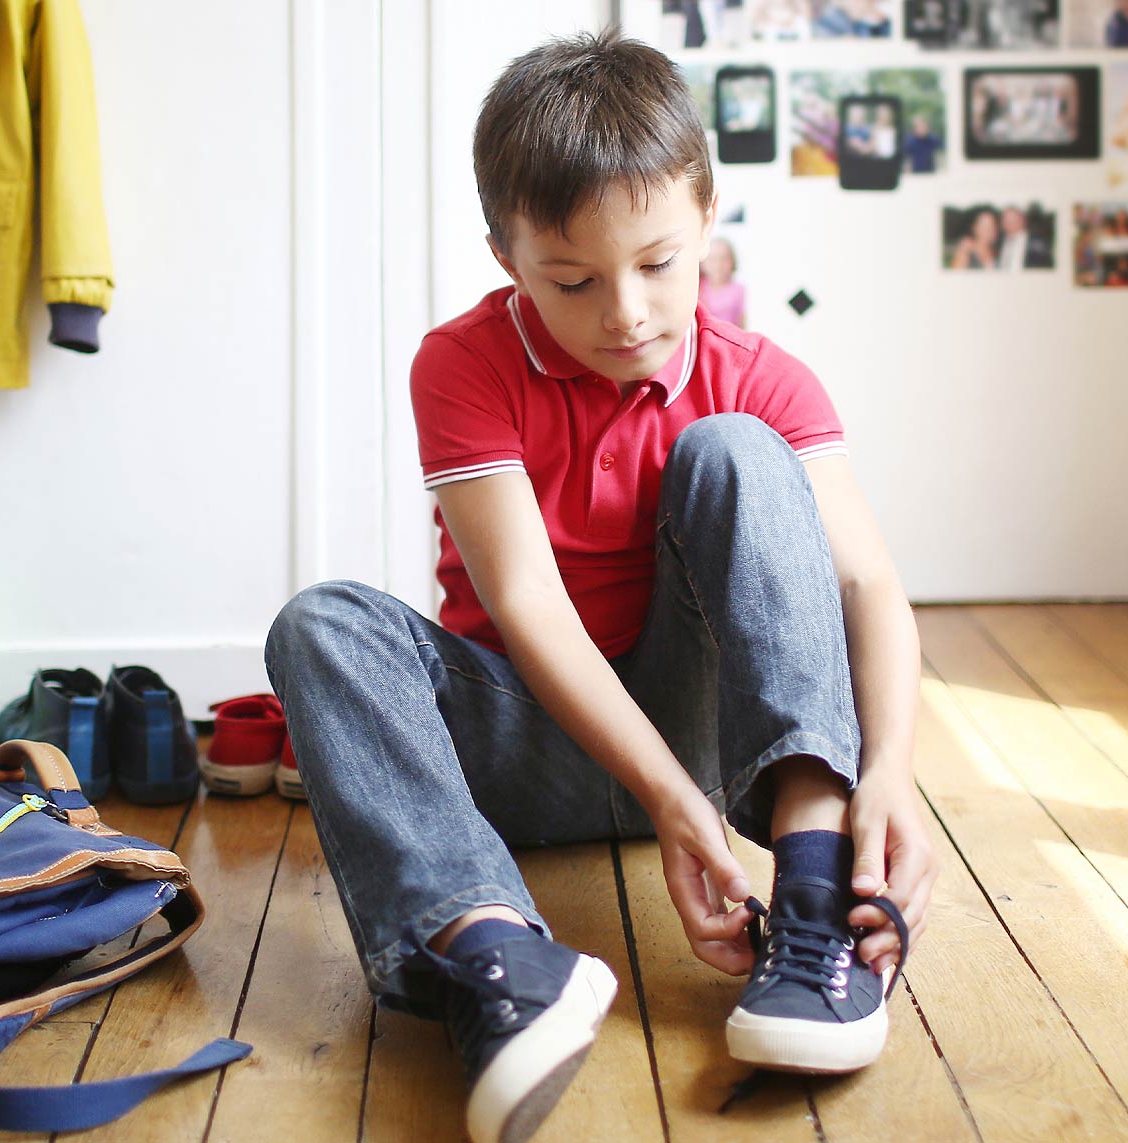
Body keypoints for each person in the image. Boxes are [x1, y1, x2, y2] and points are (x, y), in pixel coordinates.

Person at [264, 31, 934, 1143]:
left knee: (735, 450)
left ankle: (817, 902)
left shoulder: (761, 377)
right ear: (507, 256)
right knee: (321, 624)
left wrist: (891, 774)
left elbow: (868, 583)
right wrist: (668, 807)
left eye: (658, 264)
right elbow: (524, 604)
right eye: (573, 280)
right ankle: (493, 952)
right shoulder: (463, 364)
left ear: (707, 216)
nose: (624, 311)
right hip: (527, 750)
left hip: (716, 739)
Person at [698, 235, 746, 326]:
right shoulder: (698, 287)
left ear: (732, 261)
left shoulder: (739, 290)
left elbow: (743, 324)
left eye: (724, 259)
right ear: (703, 262)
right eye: (713, 259)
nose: (718, 265)